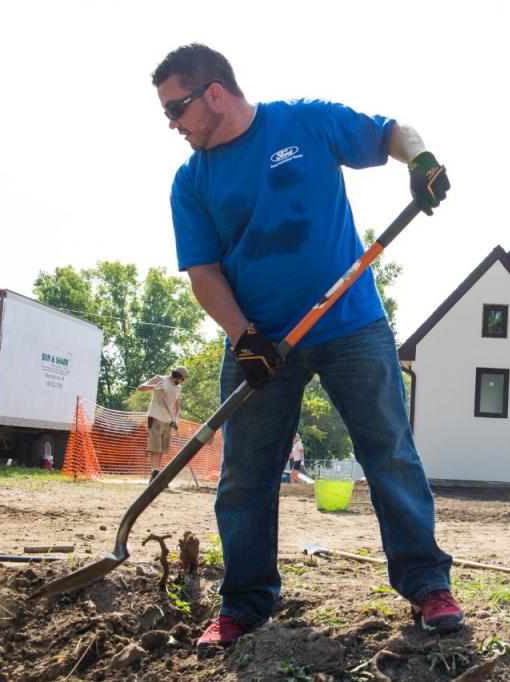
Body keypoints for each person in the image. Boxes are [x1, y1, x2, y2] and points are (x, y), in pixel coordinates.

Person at [151, 44, 460, 653]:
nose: (172, 124)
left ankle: (428, 586)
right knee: (245, 477)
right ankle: (243, 604)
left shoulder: (306, 121)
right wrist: (245, 338)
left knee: (390, 454)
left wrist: (419, 160)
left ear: (214, 92)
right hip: (262, 342)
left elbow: (394, 133)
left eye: (177, 108)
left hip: (351, 325)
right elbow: (204, 272)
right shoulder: (192, 181)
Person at [136, 366, 189, 481]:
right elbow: (140, 388)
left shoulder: (178, 388)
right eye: (182, 379)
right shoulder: (160, 379)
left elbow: (177, 407)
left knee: (161, 449)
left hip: (168, 421)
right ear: (177, 375)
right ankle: (155, 473)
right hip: (154, 417)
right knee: (155, 447)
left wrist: (176, 419)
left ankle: (156, 474)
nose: (181, 382)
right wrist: (154, 387)